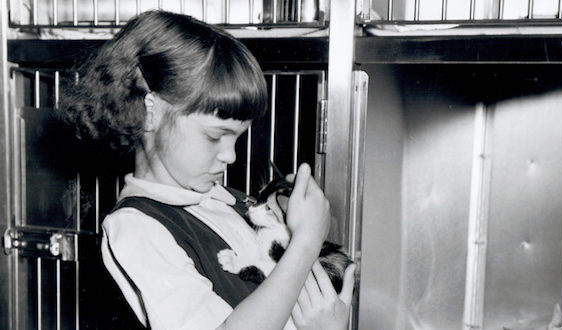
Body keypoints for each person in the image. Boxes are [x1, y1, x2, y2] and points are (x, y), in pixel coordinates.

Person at [60, 10, 355, 330]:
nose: (230, 156)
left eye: (237, 138)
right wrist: (307, 242)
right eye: (215, 136)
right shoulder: (136, 229)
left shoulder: (231, 202)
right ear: (150, 112)